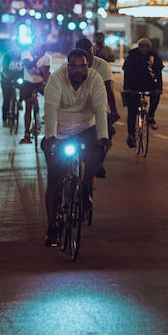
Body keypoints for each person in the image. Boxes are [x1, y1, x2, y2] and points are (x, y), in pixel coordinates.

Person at [39, 48, 111, 247]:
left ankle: (84, 189)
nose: (78, 70)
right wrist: (51, 137)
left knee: (97, 156)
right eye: (74, 66)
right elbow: (51, 109)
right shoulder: (56, 79)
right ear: (68, 66)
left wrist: (103, 137)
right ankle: (52, 227)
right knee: (55, 180)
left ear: (87, 66)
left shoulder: (95, 79)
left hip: (86, 128)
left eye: (83, 66)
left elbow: (100, 108)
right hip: (59, 130)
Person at [76, 36, 121, 177]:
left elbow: (109, 87)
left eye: (88, 53)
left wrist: (113, 110)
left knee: (106, 134)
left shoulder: (102, 65)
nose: (86, 58)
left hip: (97, 108)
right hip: (73, 110)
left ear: (92, 52)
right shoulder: (68, 66)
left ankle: (98, 162)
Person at [122, 37, 163, 147]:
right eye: (142, 46)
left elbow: (158, 73)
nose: (144, 48)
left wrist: (159, 88)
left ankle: (150, 116)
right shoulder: (132, 56)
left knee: (157, 95)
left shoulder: (154, 57)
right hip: (133, 86)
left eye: (147, 46)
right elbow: (127, 73)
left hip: (149, 85)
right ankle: (131, 135)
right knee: (132, 111)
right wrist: (127, 88)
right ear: (138, 47)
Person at [0, 36, 27, 125]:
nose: (16, 49)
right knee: (7, 98)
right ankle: (4, 119)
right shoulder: (7, 56)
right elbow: (4, 69)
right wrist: (6, 78)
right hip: (6, 79)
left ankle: (20, 102)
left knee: (25, 88)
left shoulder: (23, 55)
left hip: (19, 78)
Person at [19, 49, 45, 143]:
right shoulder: (25, 54)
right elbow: (28, 65)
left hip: (40, 83)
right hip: (28, 83)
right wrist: (37, 57)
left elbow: (45, 72)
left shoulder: (45, 56)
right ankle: (26, 132)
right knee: (28, 106)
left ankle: (41, 119)